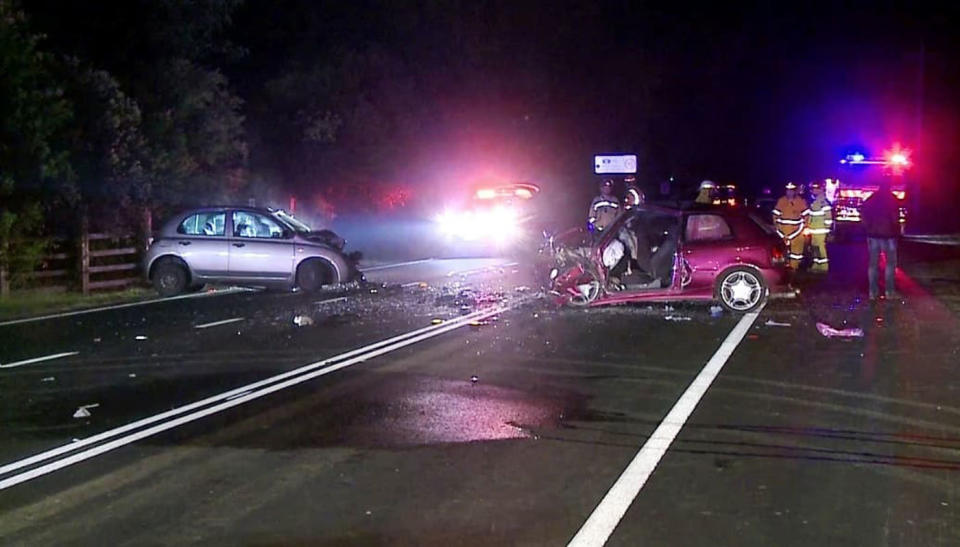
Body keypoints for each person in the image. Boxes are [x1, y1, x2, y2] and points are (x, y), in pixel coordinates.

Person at [860, 179, 900, 299]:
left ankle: (872, 292)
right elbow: (895, 217)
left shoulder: (872, 198)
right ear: (889, 187)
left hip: (873, 235)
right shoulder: (892, 199)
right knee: (890, 264)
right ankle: (889, 292)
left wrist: (867, 227)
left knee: (873, 264)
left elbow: (863, 212)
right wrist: (897, 230)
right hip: (889, 236)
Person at [772, 181, 809, 270]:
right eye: (788, 190)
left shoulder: (800, 201)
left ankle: (794, 269)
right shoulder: (781, 201)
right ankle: (783, 271)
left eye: (792, 190)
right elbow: (775, 216)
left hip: (797, 233)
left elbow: (806, 217)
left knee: (796, 254)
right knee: (782, 253)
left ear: (794, 191)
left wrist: (800, 229)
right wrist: (780, 231)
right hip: (783, 233)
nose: (790, 192)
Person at [805, 180, 832, 272]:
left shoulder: (823, 203)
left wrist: (827, 230)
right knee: (815, 249)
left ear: (820, 190)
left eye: (815, 189)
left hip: (820, 231)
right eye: (813, 189)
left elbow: (828, 218)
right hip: (814, 230)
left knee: (820, 248)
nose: (813, 191)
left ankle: (824, 267)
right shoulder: (815, 202)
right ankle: (816, 265)